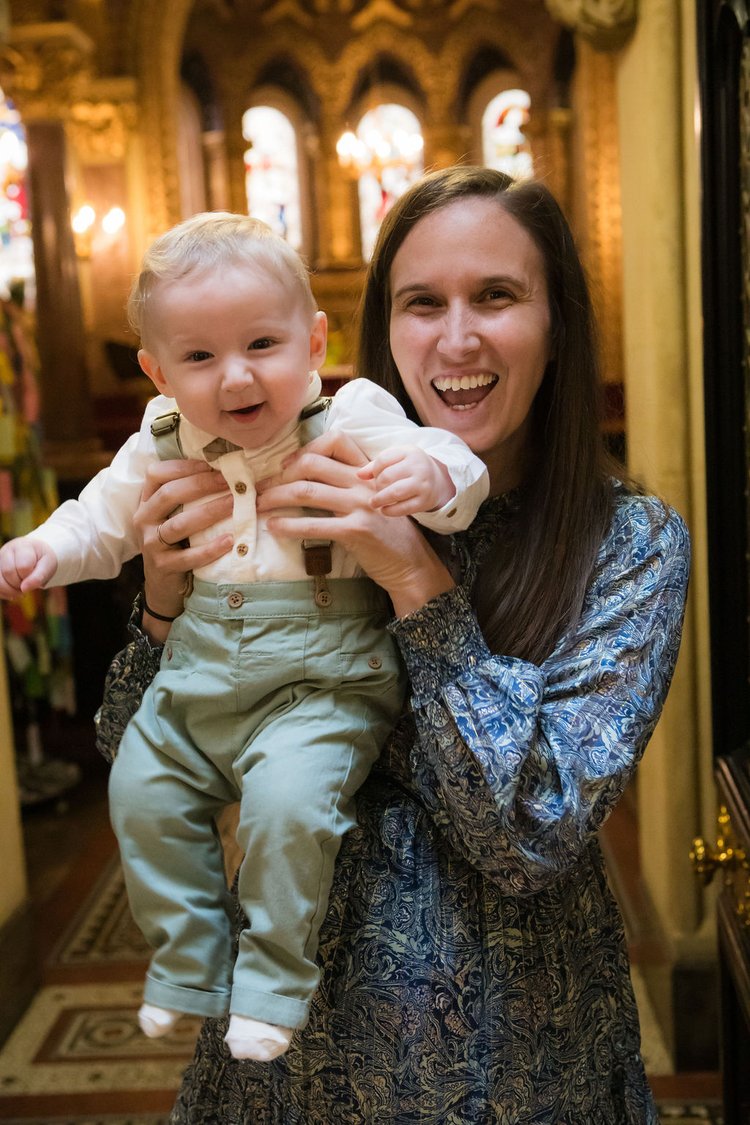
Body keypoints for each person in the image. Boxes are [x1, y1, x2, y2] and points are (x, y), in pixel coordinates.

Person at [95, 167, 690, 1123]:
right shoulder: (274, 489)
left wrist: (415, 578)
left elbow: (527, 838)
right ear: (379, 333)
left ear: (558, 323)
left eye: (496, 296)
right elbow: (134, 756)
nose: (457, 339)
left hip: (519, 1070)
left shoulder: (630, 545)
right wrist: (164, 595)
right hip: (284, 1072)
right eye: (423, 303)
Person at [0, 212, 489, 1063]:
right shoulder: (156, 443)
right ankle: (189, 964)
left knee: (286, 809)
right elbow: (99, 524)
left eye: (263, 343)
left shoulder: (355, 413)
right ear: (157, 371)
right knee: (142, 795)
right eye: (198, 357)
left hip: (322, 681)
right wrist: (41, 549)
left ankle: (271, 982)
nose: (236, 377)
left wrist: (435, 473)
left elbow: (457, 465)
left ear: (314, 339)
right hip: (193, 678)